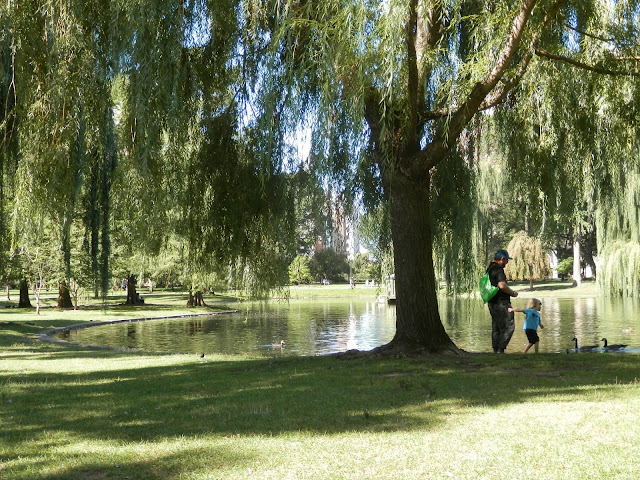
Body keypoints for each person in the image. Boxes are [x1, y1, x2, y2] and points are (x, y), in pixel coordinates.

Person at [486, 249, 518, 353]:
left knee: (496, 326)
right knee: (509, 326)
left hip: (492, 302)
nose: (507, 263)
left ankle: (496, 350)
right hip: (501, 303)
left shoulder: (490, 268)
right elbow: (502, 285)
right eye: (506, 260)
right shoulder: (498, 269)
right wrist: (512, 293)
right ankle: (501, 349)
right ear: (502, 259)